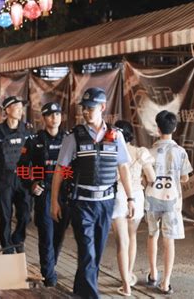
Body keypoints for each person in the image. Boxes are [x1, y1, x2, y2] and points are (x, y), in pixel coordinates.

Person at [50, 88, 135, 299]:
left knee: (95, 253)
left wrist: (131, 198)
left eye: (90, 108)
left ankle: (80, 292)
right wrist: (54, 201)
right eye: (84, 108)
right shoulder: (74, 137)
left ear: (103, 108)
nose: (86, 112)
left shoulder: (116, 136)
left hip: (106, 203)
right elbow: (60, 170)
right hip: (82, 204)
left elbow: (123, 167)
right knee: (87, 252)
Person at [17, 102, 70, 287]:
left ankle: (50, 267)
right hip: (45, 194)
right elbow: (22, 167)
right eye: (50, 114)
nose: (54, 117)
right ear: (43, 118)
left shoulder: (69, 139)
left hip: (64, 194)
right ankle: (49, 278)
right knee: (46, 235)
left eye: (57, 114)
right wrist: (31, 184)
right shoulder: (34, 140)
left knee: (58, 236)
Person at [145, 110, 193, 295]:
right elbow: (185, 178)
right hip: (171, 201)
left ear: (157, 128)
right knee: (169, 241)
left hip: (151, 199)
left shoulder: (149, 152)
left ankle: (153, 273)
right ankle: (165, 283)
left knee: (152, 235)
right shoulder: (180, 152)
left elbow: (145, 178)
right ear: (174, 128)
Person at [0, 96, 33, 254]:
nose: (20, 110)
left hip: (24, 178)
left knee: (25, 214)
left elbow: (35, 153)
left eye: (21, 107)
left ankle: (17, 238)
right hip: (4, 178)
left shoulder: (27, 129)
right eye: (16, 107)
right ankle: (7, 249)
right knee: (5, 216)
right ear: (8, 110)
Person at [112, 120, 156, 296]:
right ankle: (129, 275)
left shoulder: (111, 151)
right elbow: (152, 177)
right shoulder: (140, 152)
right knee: (132, 236)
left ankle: (126, 286)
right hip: (136, 196)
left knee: (121, 242)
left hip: (117, 195)